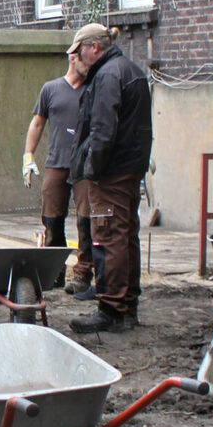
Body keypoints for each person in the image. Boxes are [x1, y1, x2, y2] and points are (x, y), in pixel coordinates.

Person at [67, 23, 153, 333]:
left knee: (110, 235)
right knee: (127, 235)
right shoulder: (131, 70)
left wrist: (93, 170)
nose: (76, 59)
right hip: (130, 168)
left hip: (112, 171)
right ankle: (127, 305)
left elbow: (103, 129)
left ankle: (112, 309)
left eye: (78, 52)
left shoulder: (106, 76)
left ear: (93, 48)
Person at [23, 50, 94, 296]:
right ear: (73, 57)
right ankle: (54, 272)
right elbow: (38, 122)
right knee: (52, 219)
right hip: (57, 163)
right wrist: (28, 155)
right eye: (85, 59)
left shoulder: (93, 89)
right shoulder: (51, 89)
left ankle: (83, 275)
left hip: (85, 165)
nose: (90, 64)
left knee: (86, 221)